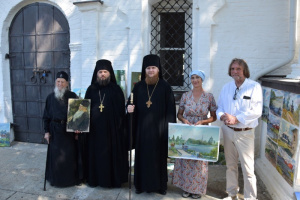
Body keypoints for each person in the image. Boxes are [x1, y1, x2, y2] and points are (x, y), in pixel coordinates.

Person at [127, 54, 176, 195]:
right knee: (142, 159)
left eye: (153, 68)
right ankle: (140, 185)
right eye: (148, 68)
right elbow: (130, 104)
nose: (151, 71)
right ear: (144, 70)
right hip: (142, 131)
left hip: (159, 132)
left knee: (159, 159)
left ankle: (160, 186)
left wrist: (169, 132)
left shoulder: (165, 87)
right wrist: (128, 109)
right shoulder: (138, 87)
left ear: (158, 69)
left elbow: (171, 111)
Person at [216, 58, 262, 200]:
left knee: (248, 169)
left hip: (245, 133)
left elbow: (257, 110)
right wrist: (223, 116)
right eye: (232, 69)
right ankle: (232, 193)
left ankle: (250, 197)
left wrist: (237, 118)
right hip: (228, 131)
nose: (235, 72)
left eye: (238, 69)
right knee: (231, 165)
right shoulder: (226, 87)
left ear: (244, 71)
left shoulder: (254, 87)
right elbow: (220, 108)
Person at [83, 59, 128, 188]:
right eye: (100, 72)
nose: (103, 74)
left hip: (111, 132)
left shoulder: (116, 90)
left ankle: (112, 180)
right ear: (96, 74)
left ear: (110, 73)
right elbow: (84, 110)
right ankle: (94, 179)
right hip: (94, 132)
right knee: (95, 156)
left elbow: (120, 113)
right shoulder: (90, 90)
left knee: (110, 156)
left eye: (105, 72)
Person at [173, 70, 217, 199]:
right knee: (185, 158)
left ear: (202, 79)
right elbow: (179, 114)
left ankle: (197, 189)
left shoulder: (209, 96)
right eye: (192, 78)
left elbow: (213, 117)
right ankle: (186, 188)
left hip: (201, 130)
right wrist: (183, 120)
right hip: (187, 129)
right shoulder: (186, 96)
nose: (195, 80)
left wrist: (203, 121)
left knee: (199, 160)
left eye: (197, 77)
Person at [43, 71, 79, 187]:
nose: (60, 84)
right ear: (55, 82)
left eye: (62, 82)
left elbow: (78, 115)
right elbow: (46, 116)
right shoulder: (50, 97)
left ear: (67, 83)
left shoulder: (73, 96)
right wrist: (46, 132)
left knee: (68, 157)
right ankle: (55, 180)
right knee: (56, 157)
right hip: (54, 131)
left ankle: (68, 180)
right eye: (58, 81)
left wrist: (77, 129)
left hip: (68, 131)